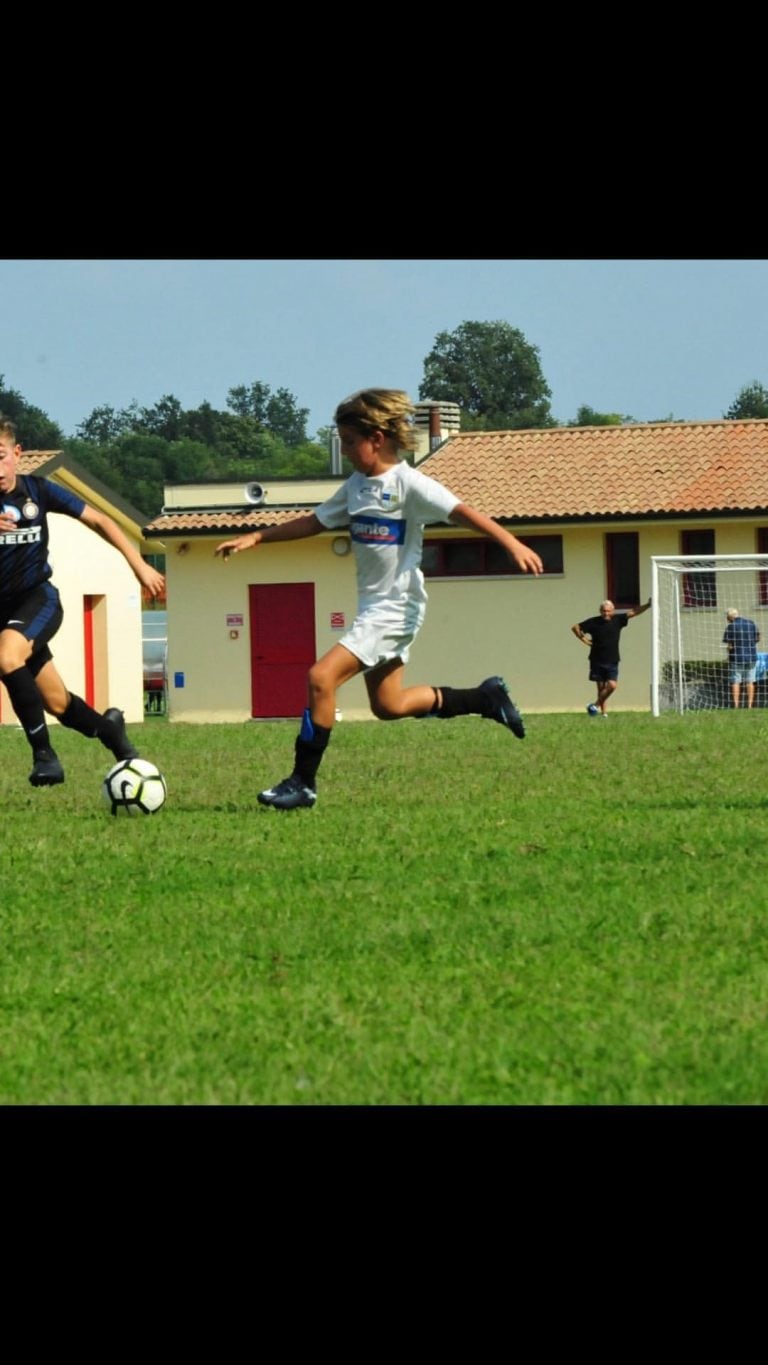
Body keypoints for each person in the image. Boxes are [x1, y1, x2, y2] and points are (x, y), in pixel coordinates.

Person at [215, 388, 543, 809]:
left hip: (395, 608)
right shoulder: (355, 487)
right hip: (374, 608)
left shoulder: (409, 483)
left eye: (350, 442)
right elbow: (314, 522)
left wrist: (510, 543)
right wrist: (257, 536)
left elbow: (463, 512)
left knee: (320, 678)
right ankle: (486, 698)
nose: (346, 452)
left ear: (377, 437)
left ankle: (302, 782)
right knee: (389, 705)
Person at [0, 415, 166, 786]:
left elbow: (101, 521)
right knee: (57, 703)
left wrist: (138, 565)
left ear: (16, 453)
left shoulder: (38, 491)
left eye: (0, 456)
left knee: (7, 656)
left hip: (36, 600)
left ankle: (45, 757)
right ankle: (111, 732)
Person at [571, 596, 651, 716]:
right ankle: (603, 714)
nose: (606, 613)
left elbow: (633, 612)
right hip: (596, 659)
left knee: (612, 686)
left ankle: (595, 706)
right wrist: (584, 640)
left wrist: (648, 605)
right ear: (600, 611)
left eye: (608, 611)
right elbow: (575, 627)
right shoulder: (593, 622)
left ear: (613, 611)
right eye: (604, 611)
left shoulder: (618, 620)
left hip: (613, 659)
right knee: (601, 688)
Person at [723, 607, 760, 709]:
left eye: (727, 617)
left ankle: (736, 705)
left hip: (736, 657)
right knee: (750, 681)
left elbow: (730, 645)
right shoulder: (751, 623)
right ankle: (749, 705)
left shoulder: (731, 626)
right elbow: (758, 637)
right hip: (751, 657)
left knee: (735, 681)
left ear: (729, 617)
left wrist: (728, 650)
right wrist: (750, 644)